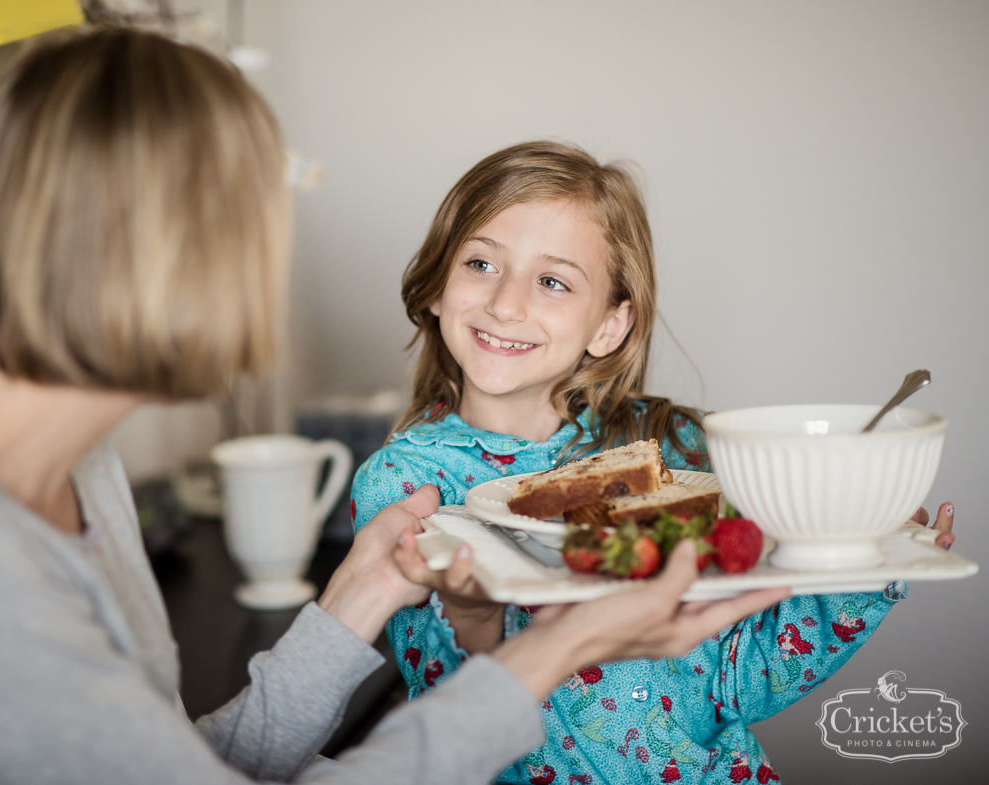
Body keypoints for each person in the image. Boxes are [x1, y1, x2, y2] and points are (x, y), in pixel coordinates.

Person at [0, 29, 793, 785]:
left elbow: (182, 763)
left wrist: (355, 598)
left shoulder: (74, 476)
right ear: (166, 254)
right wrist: (560, 648)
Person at [351, 141, 957, 784]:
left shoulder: (681, 452)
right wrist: (477, 620)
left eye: (552, 280)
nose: (507, 303)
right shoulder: (405, 486)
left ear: (610, 327)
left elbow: (736, 681)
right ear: (438, 286)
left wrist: (864, 561)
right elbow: (446, 718)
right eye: (480, 263)